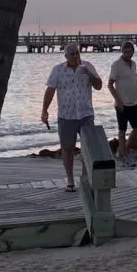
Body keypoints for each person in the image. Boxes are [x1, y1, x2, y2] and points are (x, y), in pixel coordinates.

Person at [41, 43, 102, 193]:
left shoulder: (88, 66)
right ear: (66, 56)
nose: (75, 56)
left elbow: (99, 85)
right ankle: (69, 180)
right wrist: (44, 110)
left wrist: (89, 74)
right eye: (72, 54)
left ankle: (84, 179)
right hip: (66, 115)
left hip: (86, 113)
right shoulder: (58, 70)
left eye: (77, 53)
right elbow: (50, 90)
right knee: (67, 148)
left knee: (87, 147)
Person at [108, 41, 137, 168]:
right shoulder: (116, 65)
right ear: (122, 52)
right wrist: (119, 101)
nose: (128, 54)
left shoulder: (133, 64)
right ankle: (125, 158)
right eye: (125, 52)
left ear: (133, 51)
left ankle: (124, 149)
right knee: (122, 131)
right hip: (122, 104)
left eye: (130, 51)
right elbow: (110, 85)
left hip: (135, 102)